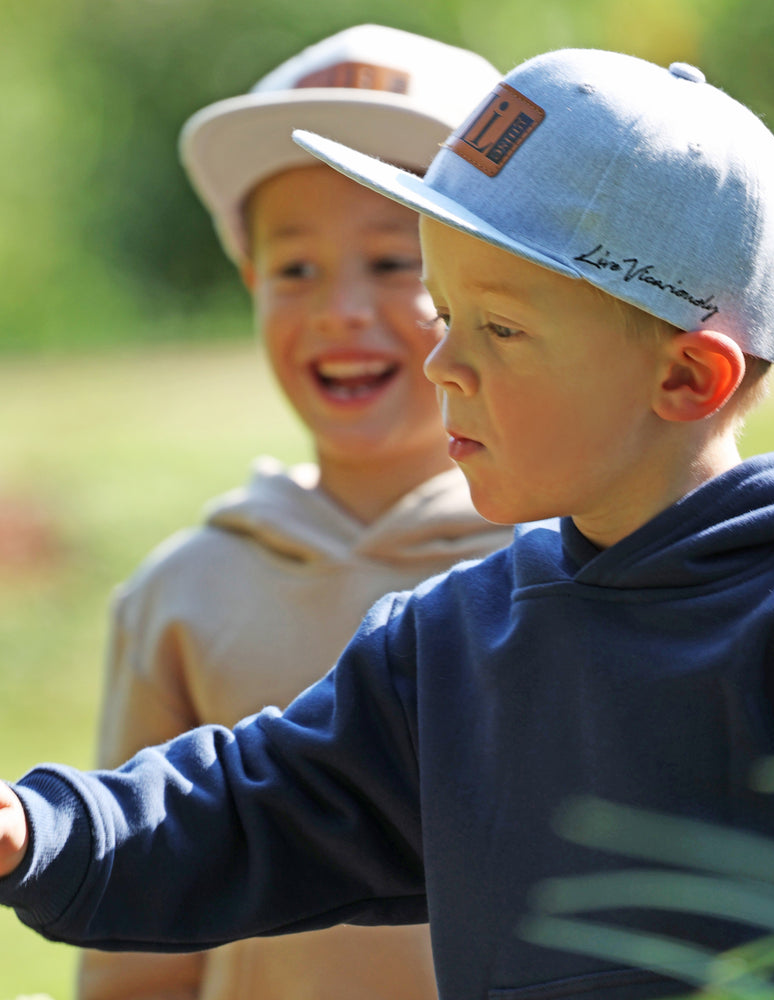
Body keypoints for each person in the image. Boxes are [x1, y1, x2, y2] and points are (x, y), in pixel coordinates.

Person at [3, 46, 774, 1000]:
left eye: (499, 328)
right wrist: (32, 829)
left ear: (687, 376)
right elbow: (254, 811)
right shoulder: (449, 647)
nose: (441, 364)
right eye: (445, 313)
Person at [74, 24, 507, 1000]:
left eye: (394, 263)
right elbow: (134, 931)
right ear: (249, 283)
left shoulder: (566, 565)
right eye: (295, 269)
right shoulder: (183, 594)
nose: (338, 310)